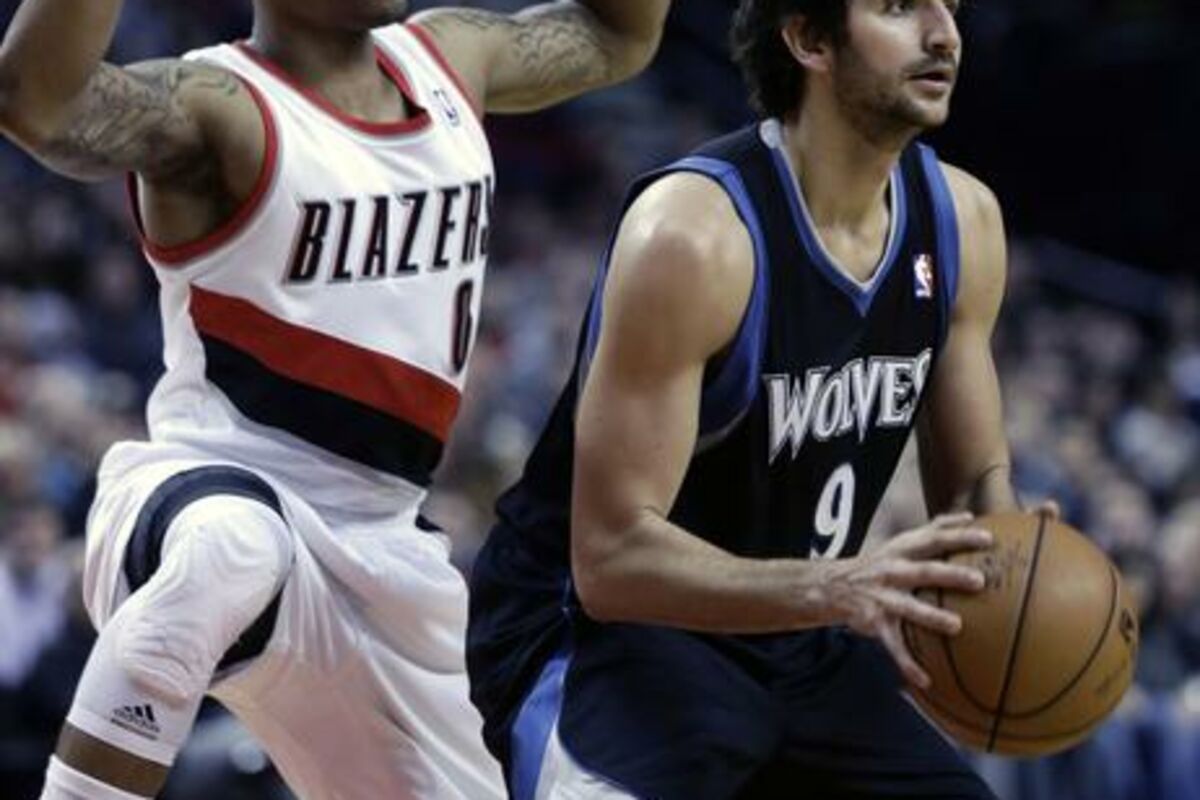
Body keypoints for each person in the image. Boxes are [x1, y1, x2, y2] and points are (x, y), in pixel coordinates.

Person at [0, 0, 671, 797]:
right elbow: (34, 103)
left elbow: (624, 34)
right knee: (235, 547)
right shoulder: (221, 106)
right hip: (201, 493)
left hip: (384, 547)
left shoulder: (453, 55)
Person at [466, 0, 1037, 797]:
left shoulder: (962, 223)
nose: (944, 33)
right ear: (808, 39)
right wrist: (836, 588)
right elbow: (610, 562)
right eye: (900, 7)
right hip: (608, 636)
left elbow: (974, 487)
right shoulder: (696, 236)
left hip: (799, 636)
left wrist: (1017, 573)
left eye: (950, 4)